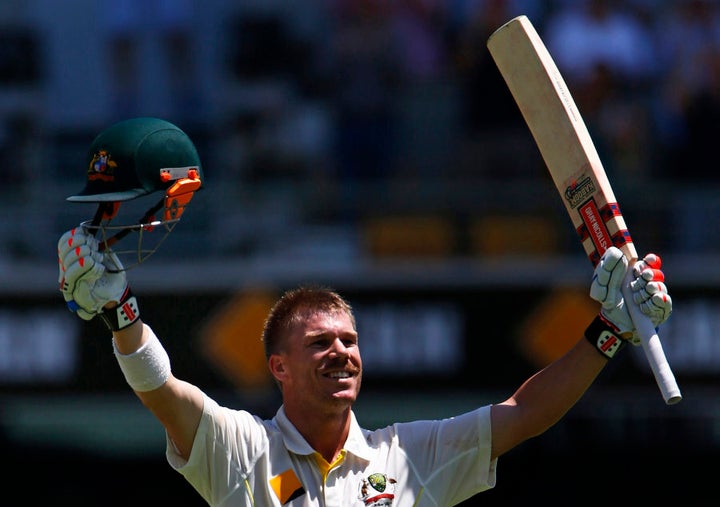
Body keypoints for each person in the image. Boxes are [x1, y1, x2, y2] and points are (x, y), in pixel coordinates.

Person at [57, 117, 673, 506]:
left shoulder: (408, 458)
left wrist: (610, 330)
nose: (342, 352)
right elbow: (164, 392)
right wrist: (122, 315)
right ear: (279, 367)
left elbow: (527, 413)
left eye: (348, 341)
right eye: (319, 343)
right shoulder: (241, 450)